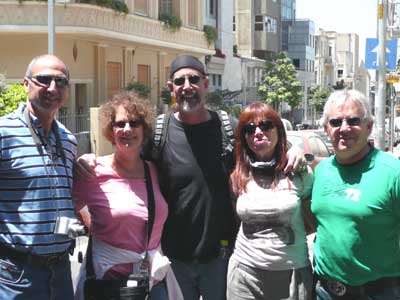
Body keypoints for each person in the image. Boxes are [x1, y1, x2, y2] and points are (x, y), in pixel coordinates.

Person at [74, 55, 305, 300]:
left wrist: (293, 149)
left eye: (193, 79)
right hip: (172, 260)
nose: (187, 86)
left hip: (220, 256)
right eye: (179, 80)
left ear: (205, 83)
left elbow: (263, 144)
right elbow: (124, 158)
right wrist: (89, 161)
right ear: (170, 87)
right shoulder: (159, 134)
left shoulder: (228, 128)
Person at [73, 91, 182, 300]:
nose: (127, 129)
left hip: (153, 282)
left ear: (144, 128)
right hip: (109, 284)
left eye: (134, 123)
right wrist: (89, 224)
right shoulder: (93, 171)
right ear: (110, 130)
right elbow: (67, 206)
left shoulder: (154, 171)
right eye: (120, 124)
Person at [0, 55, 77, 299]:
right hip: (17, 275)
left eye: (61, 81)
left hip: (61, 271)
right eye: (44, 80)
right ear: (25, 84)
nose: (53, 88)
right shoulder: (4, 134)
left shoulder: (68, 140)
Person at [312, 89, 400, 300]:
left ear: (368, 126)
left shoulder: (392, 172)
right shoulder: (322, 171)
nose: (344, 129)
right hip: (324, 291)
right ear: (326, 128)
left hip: (378, 293)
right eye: (335, 122)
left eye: (353, 121)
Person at [227, 102, 314, 300]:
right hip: (244, 274)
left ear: (279, 131)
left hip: (291, 273)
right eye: (249, 129)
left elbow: (312, 221)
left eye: (266, 126)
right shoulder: (237, 176)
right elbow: (237, 219)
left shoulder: (300, 172)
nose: (257, 132)